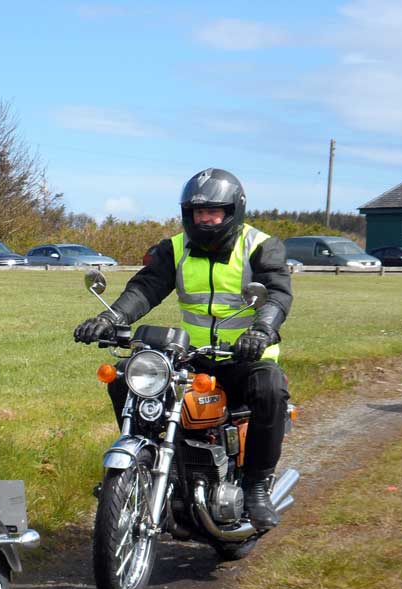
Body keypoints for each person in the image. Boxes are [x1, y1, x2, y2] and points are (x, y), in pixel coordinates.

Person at [73, 167, 293, 531]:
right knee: (125, 379)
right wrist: (110, 319)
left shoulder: (259, 245)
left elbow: (276, 292)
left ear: (233, 212)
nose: (204, 219)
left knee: (269, 390)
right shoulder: (174, 248)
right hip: (194, 355)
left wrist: (262, 329)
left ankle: (256, 486)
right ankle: (149, 470)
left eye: (213, 212)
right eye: (197, 213)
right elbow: (145, 288)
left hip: (245, 356)